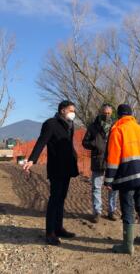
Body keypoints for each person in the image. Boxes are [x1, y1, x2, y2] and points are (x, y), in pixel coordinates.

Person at [23, 100, 79, 246]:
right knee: (54, 199)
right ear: (62, 110)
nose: (73, 113)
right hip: (56, 167)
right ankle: (50, 233)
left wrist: (74, 157)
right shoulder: (51, 124)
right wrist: (32, 160)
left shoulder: (70, 125)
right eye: (71, 110)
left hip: (68, 167)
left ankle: (59, 228)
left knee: (61, 198)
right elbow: (41, 142)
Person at [104, 104, 140, 255]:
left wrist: (108, 180)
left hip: (126, 178)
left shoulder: (117, 130)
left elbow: (113, 159)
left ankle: (127, 246)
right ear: (132, 115)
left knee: (127, 208)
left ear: (119, 116)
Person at [82, 104, 118, 223]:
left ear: (111, 113)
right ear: (100, 112)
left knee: (113, 187)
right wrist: (95, 144)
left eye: (109, 113)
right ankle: (97, 212)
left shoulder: (115, 126)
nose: (106, 115)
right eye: (104, 112)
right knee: (96, 187)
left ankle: (111, 211)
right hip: (98, 160)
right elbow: (85, 142)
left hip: (113, 161)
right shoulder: (93, 126)